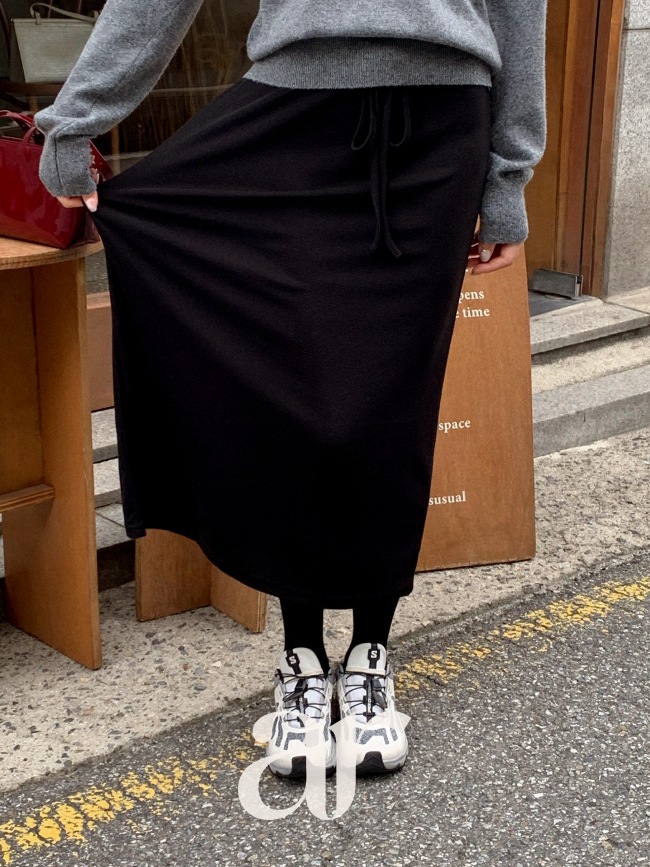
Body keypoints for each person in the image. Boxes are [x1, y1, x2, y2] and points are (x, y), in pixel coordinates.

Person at [34, 0, 547, 780]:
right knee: (296, 404)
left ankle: (370, 659)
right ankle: (303, 662)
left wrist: (509, 174)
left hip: (440, 131)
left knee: (388, 412)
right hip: (291, 116)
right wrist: (75, 124)